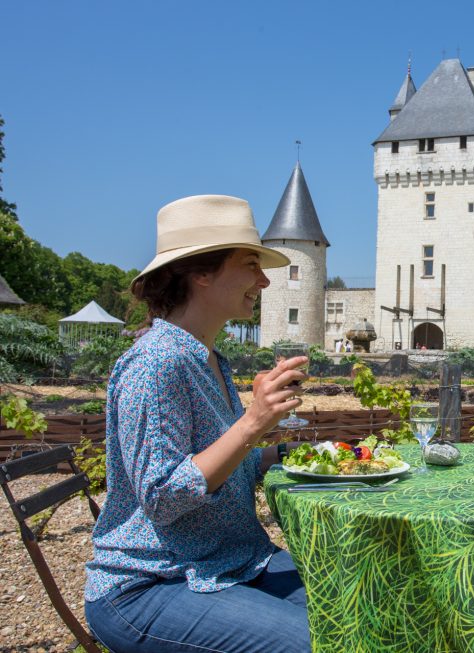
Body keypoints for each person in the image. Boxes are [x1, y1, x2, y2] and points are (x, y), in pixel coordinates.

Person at [84, 195, 312, 653]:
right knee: (317, 643)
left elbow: (218, 470)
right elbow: (163, 496)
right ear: (201, 271)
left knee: (355, 610)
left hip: (230, 561)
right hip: (151, 584)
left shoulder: (208, 359)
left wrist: (281, 455)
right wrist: (252, 423)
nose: (265, 281)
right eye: (251, 265)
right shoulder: (156, 363)